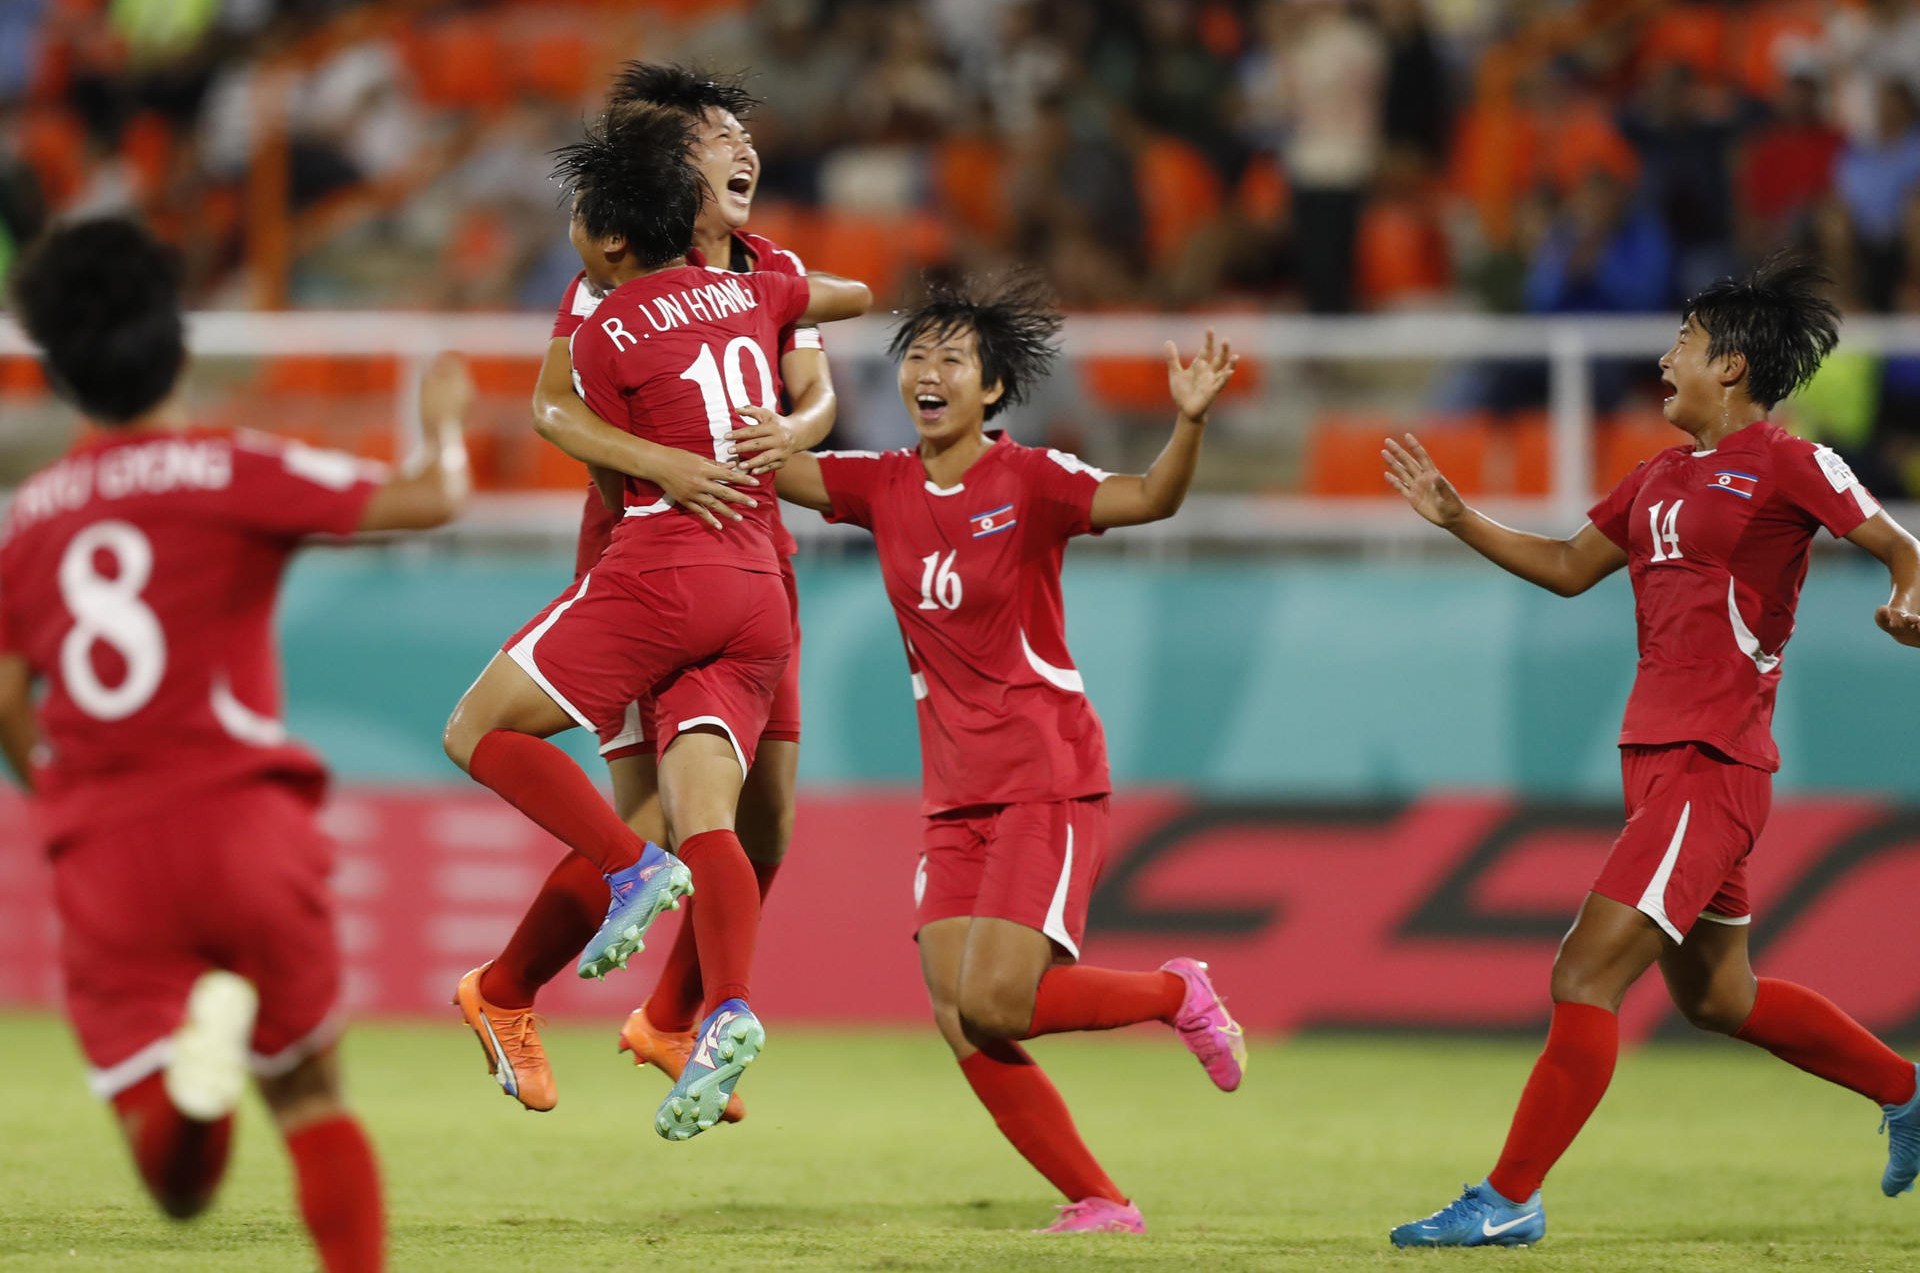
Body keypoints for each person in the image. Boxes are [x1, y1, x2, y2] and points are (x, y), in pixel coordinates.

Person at [1382, 253, 1920, 1249]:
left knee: (1584, 971)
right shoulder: (1658, 477)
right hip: (1658, 760)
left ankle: (1508, 1197)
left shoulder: (1788, 459)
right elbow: (1563, 565)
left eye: (1681, 339)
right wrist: (1460, 517)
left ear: (1731, 364)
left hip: (1715, 763)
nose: (1663, 356)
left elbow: (1898, 541)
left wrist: (1908, 592)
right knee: (1722, 996)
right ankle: (1906, 1088)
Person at [0, 216, 473, 1272]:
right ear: (178, 346)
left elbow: (6, 694)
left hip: (107, 849)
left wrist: (59, 792)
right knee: (310, 1097)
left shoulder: (29, 518)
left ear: (62, 376)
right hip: (243, 824)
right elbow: (432, 498)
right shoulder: (229, 467)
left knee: (177, 1188)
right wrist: (439, 420)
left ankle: (192, 1082)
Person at [771, 274, 1248, 1234]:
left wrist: (1187, 423)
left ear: (992, 388)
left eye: (952, 358)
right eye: (916, 356)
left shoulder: (1032, 479)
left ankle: (1176, 991)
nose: (928, 372)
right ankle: (1100, 1201)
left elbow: (1151, 498)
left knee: (996, 1003)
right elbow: (772, 466)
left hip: (1044, 772)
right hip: (954, 794)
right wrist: (749, 353)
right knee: (957, 1013)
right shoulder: (883, 483)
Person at [440, 102, 870, 1142]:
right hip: (653, 548)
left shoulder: (762, 266)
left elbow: (816, 386)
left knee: (759, 822)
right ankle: (508, 986)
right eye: (716, 137)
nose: (743, 149)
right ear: (678, 174)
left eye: (741, 132)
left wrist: (791, 431)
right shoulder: (615, 276)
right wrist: (662, 464)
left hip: (757, 549)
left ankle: (680, 1014)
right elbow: (556, 410)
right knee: (652, 821)